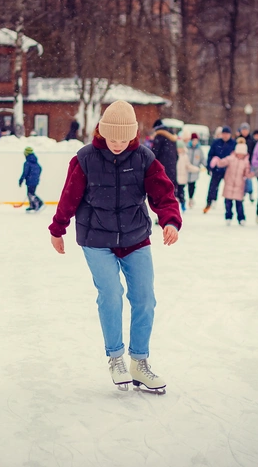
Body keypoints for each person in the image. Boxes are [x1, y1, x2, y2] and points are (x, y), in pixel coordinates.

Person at [48, 100, 182, 393]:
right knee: (111, 294)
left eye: (124, 139)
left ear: (133, 135)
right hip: (96, 239)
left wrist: (170, 220)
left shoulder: (144, 158)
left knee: (145, 299)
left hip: (135, 237)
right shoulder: (85, 159)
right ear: (102, 132)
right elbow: (68, 197)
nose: (118, 144)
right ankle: (116, 357)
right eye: (112, 138)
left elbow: (163, 193)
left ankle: (140, 362)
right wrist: (58, 228)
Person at [211, 138, 253, 225]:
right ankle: (228, 217)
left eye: (242, 154)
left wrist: (253, 173)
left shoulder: (246, 162)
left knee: (239, 204)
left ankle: (241, 218)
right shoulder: (231, 158)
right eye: (239, 153)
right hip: (229, 184)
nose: (240, 155)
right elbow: (222, 163)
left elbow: (247, 173)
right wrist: (217, 160)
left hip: (239, 186)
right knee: (228, 203)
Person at [204, 125, 236, 213]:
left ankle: (229, 207)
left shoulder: (233, 143)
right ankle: (210, 202)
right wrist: (210, 167)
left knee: (229, 188)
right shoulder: (216, 142)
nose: (225, 136)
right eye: (224, 134)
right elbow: (210, 155)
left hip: (228, 170)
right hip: (217, 169)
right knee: (213, 186)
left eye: (227, 134)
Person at [151, 119, 179, 190]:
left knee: (162, 187)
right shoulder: (172, 136)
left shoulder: (159, 136)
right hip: (172, 165)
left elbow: (154, 153)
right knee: (170, 186)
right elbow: (176, 153)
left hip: (162, 165)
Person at [175, 140, 199, 211]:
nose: (179, 150)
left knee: (181, 193)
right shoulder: (174, 156)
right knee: (174, 194)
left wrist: (196, 169)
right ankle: (175, 206)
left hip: (182, 178)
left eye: (180, 148)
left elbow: (188, 166)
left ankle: (183, 204)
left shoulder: (185, 156)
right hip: (175, 178)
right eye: (178, 148)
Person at [19, 146, 43, 212]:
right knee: (30, 193)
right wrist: (36, 176)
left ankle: (39, 203)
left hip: (30, 181)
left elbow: (25, 172)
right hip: (35, 180)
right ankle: (32, 205)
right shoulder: (35, 161)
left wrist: (21, 180)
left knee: (30, 193)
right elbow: (40, 168)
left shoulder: (27, 163)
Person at [186, 133, 206, 207]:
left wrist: (206, 166)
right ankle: (182, 199)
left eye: (196, 140)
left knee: (192, 186)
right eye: (194, 140)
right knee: (183, 186)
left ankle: (191, 198)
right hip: (186, 171)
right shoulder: (187, 147)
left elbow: (202, 159)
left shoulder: (199, 149)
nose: (195, 142)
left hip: (194, 171)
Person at [239, 122, 257, 202]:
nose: (244, 131)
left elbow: (254, 152)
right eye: (243, 130)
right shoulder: (238, 139)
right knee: (241, 179)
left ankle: (250, 192)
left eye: (246, 130)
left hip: (249, 163)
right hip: (240, 163)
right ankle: (241, 193)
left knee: (248, 179)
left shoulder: (252, 140)